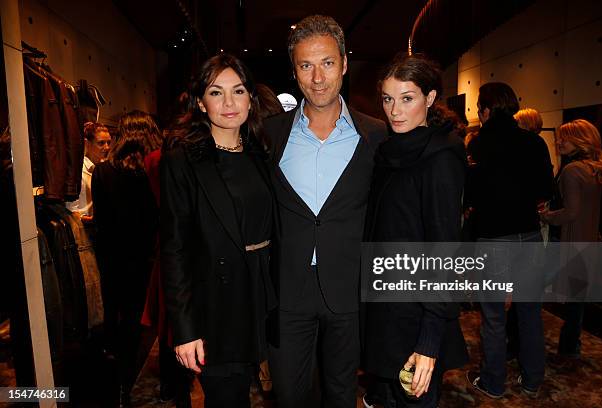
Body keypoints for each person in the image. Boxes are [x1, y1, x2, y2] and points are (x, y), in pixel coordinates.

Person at [264, 14, 387, 407]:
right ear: (295, 71)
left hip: (349, 291)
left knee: (341, 395)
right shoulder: (269, 135)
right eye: (306, 65)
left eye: (328, 63)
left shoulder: (377, 136)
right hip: (287, 293)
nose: (318, 78)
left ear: (345, 64)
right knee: (288, 396)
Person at [160, 53, 277, 408]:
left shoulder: (261, 150)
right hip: (218, 305)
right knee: (227, 399)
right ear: (199, 101)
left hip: (267, 295)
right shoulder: (183, 157)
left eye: (238, 91)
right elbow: (174, 247)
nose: (229, 103)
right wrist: (185, 331)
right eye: (216, 92)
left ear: (250, 99)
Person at [361, 53, 468, 408]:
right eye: (388, 99)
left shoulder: (440, 158)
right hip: (384, 314)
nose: (395, 111)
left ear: (431, 98)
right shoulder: (388, 153)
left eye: (407, 98)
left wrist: (429, 341)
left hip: (418, 319)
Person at [465, 82, 554, 399]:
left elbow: (469, 195)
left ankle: (492, 382)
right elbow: (546, 188)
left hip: (492, 239)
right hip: (528, 235)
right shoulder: (534, 142)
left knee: (493, 316)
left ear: (486, 109)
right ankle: (532, 379)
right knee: (530, 312)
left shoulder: (477, 145)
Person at [92, 110, 161, 406]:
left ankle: (122, 387)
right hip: (153, 260)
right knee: (161, 326)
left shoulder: (103, 172)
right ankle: (172, 387)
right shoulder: (158, 169)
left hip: (117, 263)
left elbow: (102, 226)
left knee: (126, 327)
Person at [540, 119, 602, 356]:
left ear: (580, 140)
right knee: (576, 303)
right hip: (587, 241)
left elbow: (571, 212)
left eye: (564, 138)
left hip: (565, 243)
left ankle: (527, 346)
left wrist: (546, 216)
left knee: (531, 292)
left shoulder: (572, 170)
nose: (558, 141)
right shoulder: (595, 169)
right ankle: (571, 348)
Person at [66, 122, 111, 222]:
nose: (107, 147)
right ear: (86, 143)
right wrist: (85, 219)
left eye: (108, 142)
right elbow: (71, 210)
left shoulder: (105, 168)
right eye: (101, 143)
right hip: (85, 229)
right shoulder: (78, 171)